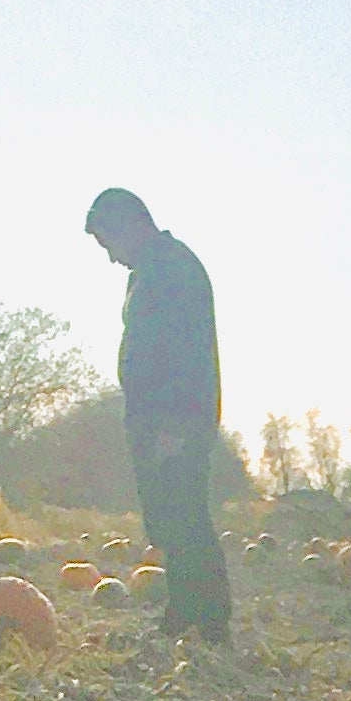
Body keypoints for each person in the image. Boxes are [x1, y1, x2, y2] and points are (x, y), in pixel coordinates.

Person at [84, 188, 231, 643]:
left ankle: (209, 619)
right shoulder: (149, 272)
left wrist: (175, 426)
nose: (110, 258)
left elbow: (185, 355)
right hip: (154, 419)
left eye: (109, 244)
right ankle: (186, 607)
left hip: (177, 419)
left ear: (129, 225)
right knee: (167, 516)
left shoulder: (174, 269)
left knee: (184, 513)